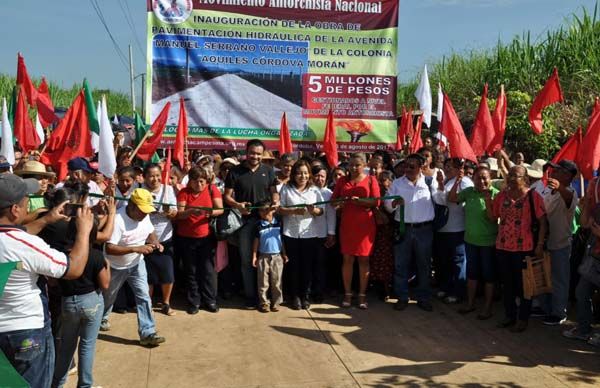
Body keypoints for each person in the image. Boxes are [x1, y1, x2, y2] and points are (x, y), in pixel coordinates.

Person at [0, 174, 94, 388]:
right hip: (26, 332)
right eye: (25, 201)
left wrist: (46, 219)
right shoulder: (25, 244)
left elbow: (13, 237)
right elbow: (73, 268)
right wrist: (84, 231)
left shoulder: (18, 241)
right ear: (15, 209)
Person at [39, 185, 112, 388]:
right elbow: (105, 284)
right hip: (91, 303)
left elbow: (52, 280)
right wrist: (108, 265)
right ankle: (85, 385)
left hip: (67, 303)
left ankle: (57, 383)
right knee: (87, 346)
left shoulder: (62, 256)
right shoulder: (96, 255)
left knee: (66, 347)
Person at [101, 188, 166, 346]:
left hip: (137, 264)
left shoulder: (144, 216)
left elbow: (150, 232)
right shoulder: (117, 220)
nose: (145, 214)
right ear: (131, 206)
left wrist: (155, 242)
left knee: (144, 296)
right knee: (108, 296)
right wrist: (136, 248)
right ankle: (101, 318)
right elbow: (109, 248)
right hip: (115, 266)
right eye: (142, 211)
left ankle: (148, 332)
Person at [488, 165, 547, 333]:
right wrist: (486, 200)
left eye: (517, 176)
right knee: (507, 284)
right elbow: (494, 217)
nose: (512, 179)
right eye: (510, 176)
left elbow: (543, 222)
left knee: (524, 286)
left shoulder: (532, 197)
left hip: (524, 248)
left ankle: (523, 319)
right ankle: (510, 316)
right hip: (503, 246)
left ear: (525, 179)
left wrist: (540, 245)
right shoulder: (501, 196)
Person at [223, 139, 279, 308]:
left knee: (268, 259)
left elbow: (274, 193)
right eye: (252, 153)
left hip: (266, 222)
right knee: (247, 261)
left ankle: (267, 296)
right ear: (246, 152)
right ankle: (250, 296)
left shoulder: (269, 171)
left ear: (263, 154)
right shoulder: (235, 171)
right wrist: (238, 205)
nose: (255, 156)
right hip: (244, 223)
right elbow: (227, 196)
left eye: (258, 154)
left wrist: (275, 202)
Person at [385, 153, 441, 312]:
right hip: (403, 229)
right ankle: (402, 297)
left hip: (424, 230)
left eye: (412, 166)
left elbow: (440, 200)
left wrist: (442, 187)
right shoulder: (397, 183)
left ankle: (423, 297)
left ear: (421, 167)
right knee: (401, 264)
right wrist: (394, 203)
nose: (407, 169)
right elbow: (388, 205)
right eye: (405, 166)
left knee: (424, 265)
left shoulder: (430, 182)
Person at [448, 166, 499, 320]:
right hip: (470, 241)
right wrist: (457, 181)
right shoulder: (469, 192)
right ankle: (470, 304)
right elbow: (452, 198)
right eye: (478, 178)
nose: (481, 181)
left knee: (489, 276)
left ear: (490, 179)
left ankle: (487, 308)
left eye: (485, 178)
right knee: (472, 274)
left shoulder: (496, 195)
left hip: (488, 242)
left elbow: (493, 219)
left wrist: (489, 200)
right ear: (473, 179)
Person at [332, 153, 380, 309]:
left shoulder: (371, 180)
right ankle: (347, 293)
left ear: (364, 165)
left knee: (364, 260)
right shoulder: (342, 180)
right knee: (347, 259)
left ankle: (362, 295)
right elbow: (333, 201)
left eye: (357, 165)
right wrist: (341, 202)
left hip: (365, 226)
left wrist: (360, 202)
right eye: (351, 164)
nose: (353, 168)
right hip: (347, 224)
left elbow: (377, 201)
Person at [176, 167, 224, 314]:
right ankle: (194, 301)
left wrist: (210, 212)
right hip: (186, 237)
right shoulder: (184, 192)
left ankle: (210, 300)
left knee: (208, 270)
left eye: (202, 181)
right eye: (195, 181)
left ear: (206, 181)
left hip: (206, 237)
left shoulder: (212, 189)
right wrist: (191, 211)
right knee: (191, 270)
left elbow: (220, 209)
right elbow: (179, 214)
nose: (199, 185)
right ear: (189, 181)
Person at [279, 160, 325, 310]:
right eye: (299, 173)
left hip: (309, 233)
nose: (302, 176)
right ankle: (294, 296)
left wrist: (313, 211)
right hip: (290, 233)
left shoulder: (315, 190)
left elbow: (321, 210)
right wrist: (293, 211)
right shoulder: (286, 188)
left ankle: (305, 295)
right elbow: (280, 209)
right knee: (293, 266)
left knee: (307, 266)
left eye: (305, 173)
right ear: (293, 175)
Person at [538, 160, 578, 326]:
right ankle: (545, 308)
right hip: (546, 241)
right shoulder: (549, 190)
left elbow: (568, 197)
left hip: (561, 243)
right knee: (545, 276)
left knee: (559, 279)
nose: (553, 173)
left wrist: (560, 187)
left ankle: (559, 313)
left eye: (558, 171)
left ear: (567, 176)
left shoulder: (570, 192)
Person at [434, 158, 474, 304]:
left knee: (458, 262)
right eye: (446, 165)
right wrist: (439, 184)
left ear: (459, 169)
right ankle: (446, 287)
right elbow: (439, 200)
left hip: (457, 228)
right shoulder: (444, 181)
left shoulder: (465, 182)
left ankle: (458, 292)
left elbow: (453, 200)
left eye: (451, 166)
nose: (447, 168)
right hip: (443, 228)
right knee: (444, 262)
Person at [142, 163, 178, 316]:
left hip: (165, 237)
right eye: (151, 175)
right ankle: (148, 304)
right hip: (145, 238)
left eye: (157, 175)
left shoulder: (168, 189)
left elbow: (175, 212)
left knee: (167, 274)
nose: (155, 179)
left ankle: (166, 303)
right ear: (144, 177)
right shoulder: (140, 190)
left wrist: (169, 212)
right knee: (148, 275)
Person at [252, 200, 287, 312]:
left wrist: (284, 254)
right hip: (263, 256)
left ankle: (276, 302)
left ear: (272, 210)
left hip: (277, 256)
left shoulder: (279, 223)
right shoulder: (258, 225)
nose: (264, 212)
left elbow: (281, 240)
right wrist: (254, 256)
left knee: (277, 281)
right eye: (261, 210)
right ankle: (264, 302)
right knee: (263, 282)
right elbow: (256, 242)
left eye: (267, 209)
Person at [311, 165, 337, 303]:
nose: (319, 178)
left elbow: (331, 215)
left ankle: (319, 291)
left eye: (322, 176)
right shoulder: (306, 191)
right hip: (306, 234)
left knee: (320, 264)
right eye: (316, 175)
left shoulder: (328, 193)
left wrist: (331, 233)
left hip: (322, 233)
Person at [370, 170, 395, 300]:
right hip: (377, 233)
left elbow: (385, 219)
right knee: (378, 261)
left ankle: (388, 288)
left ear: (391, 181)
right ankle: (380, 286)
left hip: (390, 233)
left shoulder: (393, 195)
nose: (381, 183)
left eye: (384, 179)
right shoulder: (376, 196)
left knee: (388, 261)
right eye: (379, 180)